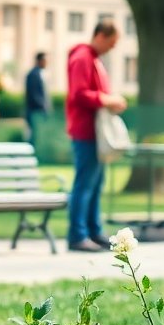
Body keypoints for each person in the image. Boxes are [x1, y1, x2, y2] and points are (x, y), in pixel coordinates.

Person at [65, 20, 127, 252]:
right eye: (111, 43)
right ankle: (78, 234)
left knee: (96, 181)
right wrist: (107, 99)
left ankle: (93, 229)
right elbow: (79, 94)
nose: (112, 48)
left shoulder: (93, 59)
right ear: (100, 35)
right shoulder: (82, 58)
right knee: (85, 182)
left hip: (96, 131)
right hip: (85, 130)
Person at [24, 52, 51, 146]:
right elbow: (34, 95)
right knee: (33, 136)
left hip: (40, 111)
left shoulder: (41, 74)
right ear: (40, 61)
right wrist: (43, 107)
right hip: (35, 112)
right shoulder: (33, 74)